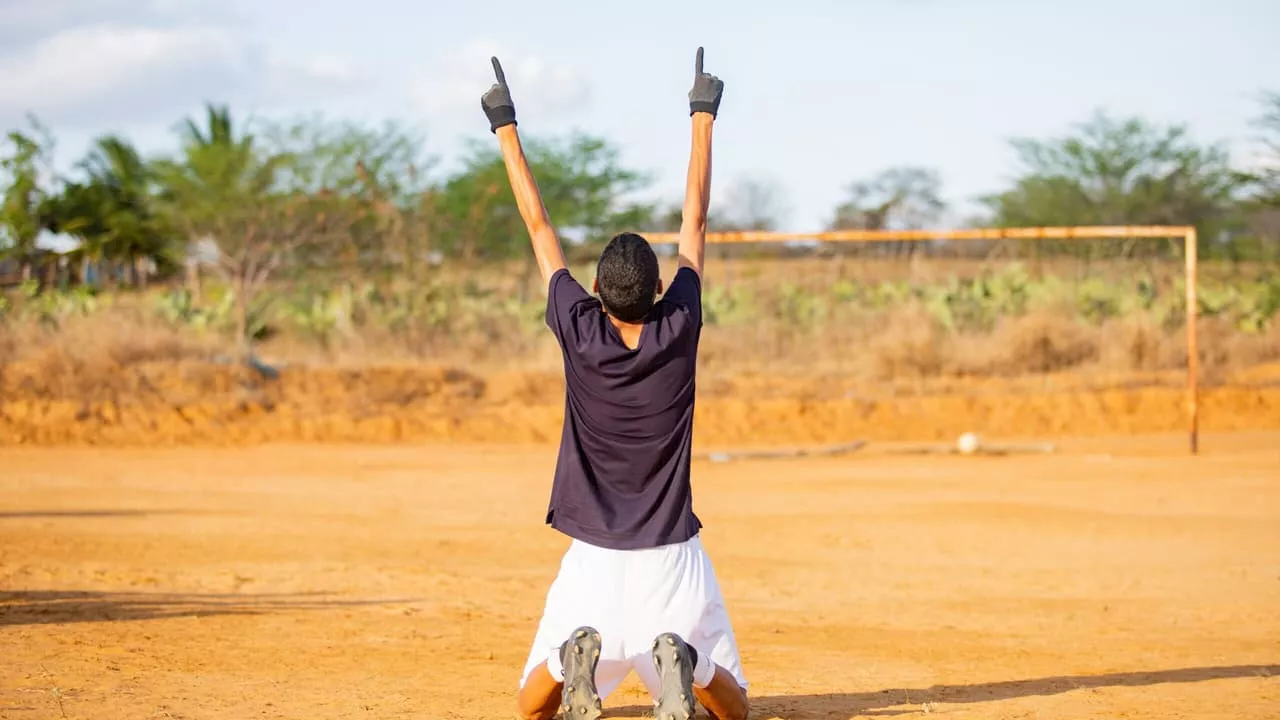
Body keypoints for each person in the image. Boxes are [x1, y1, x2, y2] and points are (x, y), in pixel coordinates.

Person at [479, 48, 749, 720]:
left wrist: (504, 123)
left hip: (592, 561)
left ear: (595, 290)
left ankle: (566, 655)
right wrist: (702, 116)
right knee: (734, 710)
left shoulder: (579, 328)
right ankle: (689, 659)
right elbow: (696, 221)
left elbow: (538, 226)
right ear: (661, 290)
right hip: (672, 558)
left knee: (529, 709)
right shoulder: (679, 325)